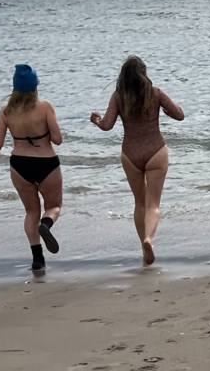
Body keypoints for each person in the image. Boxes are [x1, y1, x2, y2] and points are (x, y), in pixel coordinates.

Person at [90, 55, 184, 266]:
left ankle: (144, 249)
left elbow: (107, 125)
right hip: (155, 151)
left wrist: (95, 120)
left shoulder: (118, 97)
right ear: (144, 74)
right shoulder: (155, 93)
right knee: (153, 205)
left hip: (130, 154)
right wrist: (167, 110)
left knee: (139, 203)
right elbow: (180, 115)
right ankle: (149, 239)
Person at [0, 64, 64, 272]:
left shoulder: (6, 111)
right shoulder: (45, 107)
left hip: (19, 165)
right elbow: (57, 139)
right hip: (46, 163)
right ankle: (47, 225)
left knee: (31, 211)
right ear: (35, 87)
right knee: (54, 206)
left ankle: (37, 259)